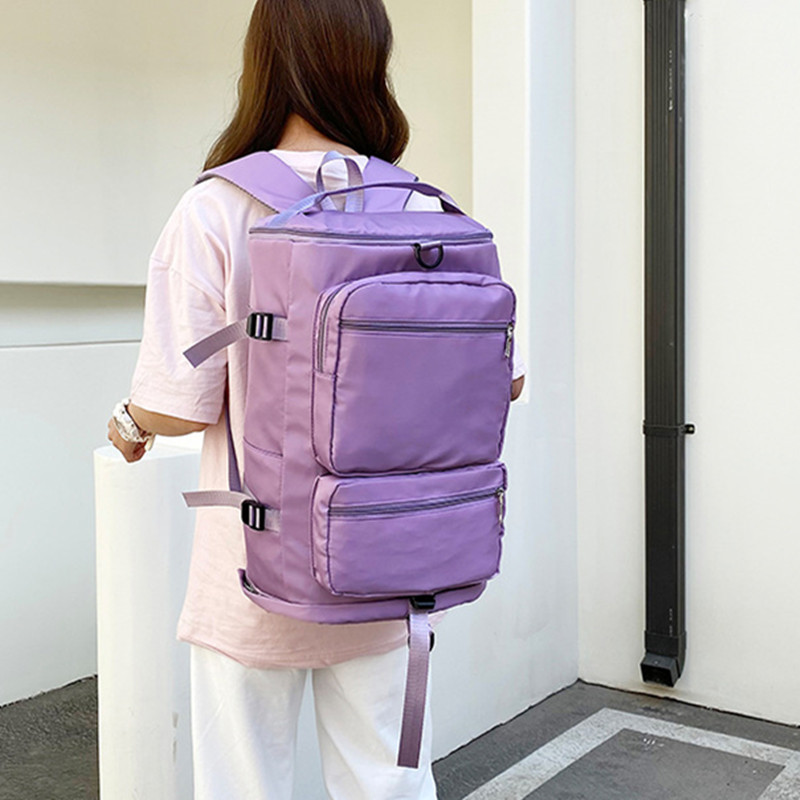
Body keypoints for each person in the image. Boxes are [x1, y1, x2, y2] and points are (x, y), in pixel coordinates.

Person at [106, 1, 526, 797]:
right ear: (370, 62)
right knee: (388, 782)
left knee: (244, 784)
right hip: (392, 564)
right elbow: (501, 381)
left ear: (265, 62)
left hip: (252, 573)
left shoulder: (216, 208)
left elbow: (180, 404)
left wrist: (128, 420)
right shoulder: (421, 210)